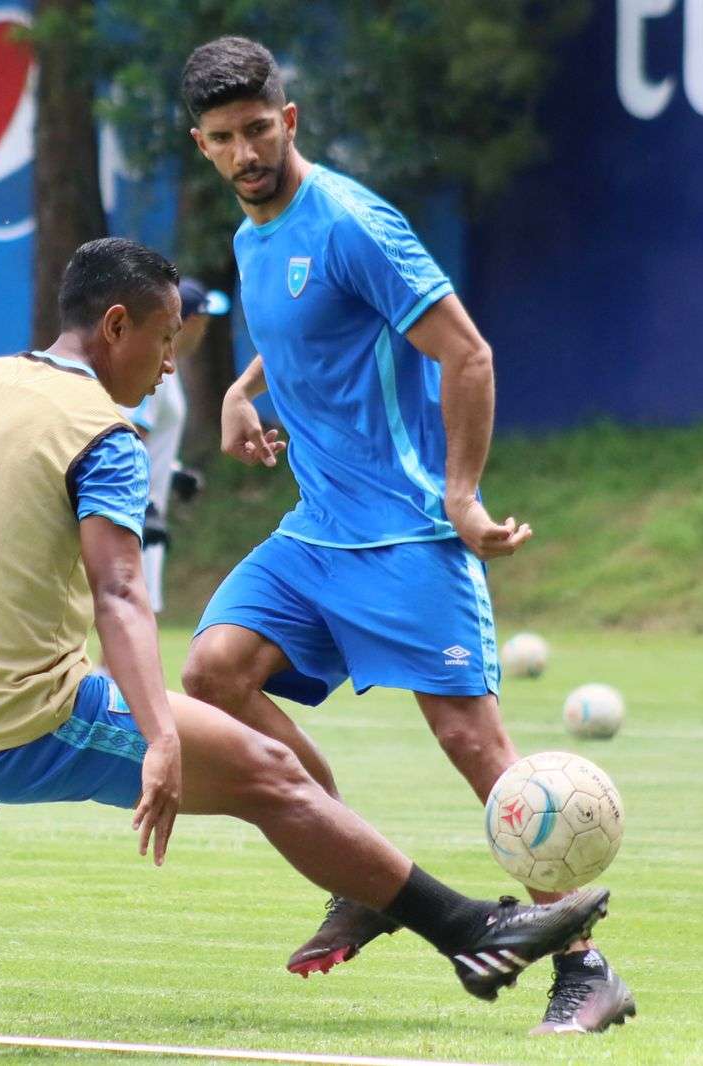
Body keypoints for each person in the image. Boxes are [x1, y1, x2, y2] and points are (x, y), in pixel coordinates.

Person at [0, 237, 609, 1041]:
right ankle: (473, 934)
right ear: (115, 325)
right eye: (164, 340)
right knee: (273, 777)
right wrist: (160, 735)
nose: (167, 366)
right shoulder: (102, 435)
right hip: (24, 718)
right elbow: (120, 593)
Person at [177, 38, 635, 1036]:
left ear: (288, 120)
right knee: (212, 674)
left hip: (407, 529)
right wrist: (241, 388)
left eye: (257, 130)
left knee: (475, 747)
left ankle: (588, 969)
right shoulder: (253, 235)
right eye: (223, 139)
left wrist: (462, 496)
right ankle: (364, 875)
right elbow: (306, 329)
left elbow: (467, 353)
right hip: (317, 533)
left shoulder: (352, 223)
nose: (245, 153)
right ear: (201, 145)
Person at [123, 277, 230, 612]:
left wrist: (173, 472)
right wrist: (143, 506)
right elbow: (130, 437)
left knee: (136, 615)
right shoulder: (155, 371)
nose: (205, 332)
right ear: (192, 322)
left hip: (145, 513)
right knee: (134, 617)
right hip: (136, 516)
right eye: (204, 323)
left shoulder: (169, 371)